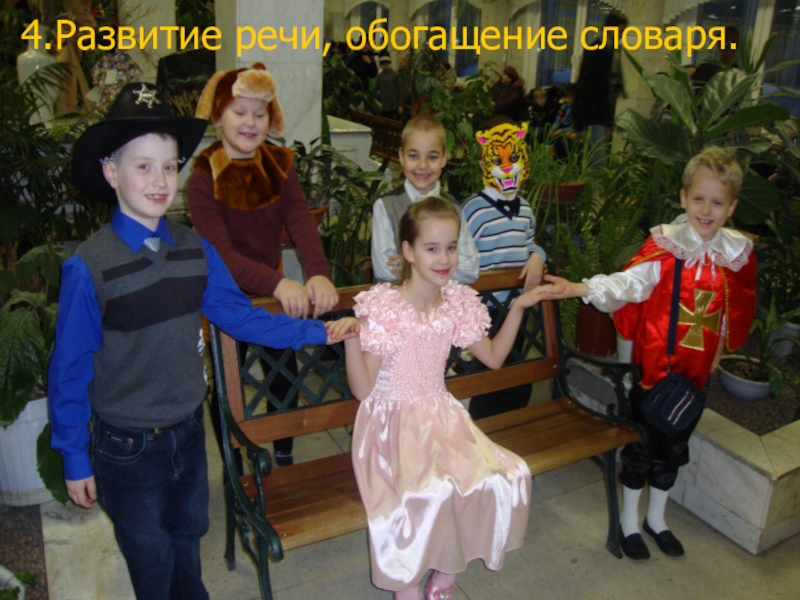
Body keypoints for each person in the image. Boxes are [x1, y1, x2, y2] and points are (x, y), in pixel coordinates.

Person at [48, 82, 346, 600]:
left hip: (188, 434)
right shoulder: (89, 266)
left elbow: (240, 318)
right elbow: (69, 369)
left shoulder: (194, 249)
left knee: (188, 539)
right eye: (143, 166)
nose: (160, 180)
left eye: (169, 166)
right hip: (127, 446)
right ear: (111, 172)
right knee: (150, 554)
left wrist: (319, 330)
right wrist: (74, 456)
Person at [328, 196, 548, 600]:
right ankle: (407, 585)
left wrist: (518, 306)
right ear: (409, 252)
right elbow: (363, 390)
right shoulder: (386, 307)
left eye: (450, 246)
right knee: (424, 495)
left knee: (500, 476)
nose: (444, 258)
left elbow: (494, 358)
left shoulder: (457, 303)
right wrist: (353, 338)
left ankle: (443, 578)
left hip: (441, 416)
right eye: (431, 248)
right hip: (390, 426)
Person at [543, 146, 757, 559]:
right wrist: (582, 288)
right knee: (642, 446)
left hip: (694, 378)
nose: (706, 210)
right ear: (683, 198)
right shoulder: (666, 249)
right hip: (654, 373)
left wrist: (718, 349)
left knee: (674, 448)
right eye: (698, 199)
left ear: (731, 207)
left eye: (717, 202)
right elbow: (629, 285)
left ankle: (657, 519)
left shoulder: (732, 257)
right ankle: (629, 521)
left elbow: (728, 310)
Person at [187, 63, 338, 469]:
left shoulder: (279, 163)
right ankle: (235, 469)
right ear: (218, 115)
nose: (250, 122)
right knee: (229, 386)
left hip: (272, 296)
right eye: (239, 112)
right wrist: (277, 283)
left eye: (260, 113)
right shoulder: (203, 176)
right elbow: (220, 254)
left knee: (283, 374)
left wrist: (318, 272)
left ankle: (284, 458)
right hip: (225, 300)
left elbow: (300, 219)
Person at [462, 118, 546, 420]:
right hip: (484, 309)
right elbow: (460, 253)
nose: (508, 168)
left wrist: (537, 256)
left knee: (514, 371)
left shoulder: (525, 208)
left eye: (514, 158)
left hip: (516, 307)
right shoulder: (472, 209)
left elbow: (531, 242)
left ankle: (510, 424)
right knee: (489, 376)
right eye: (498, 161)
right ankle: (484, 425)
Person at [370, 115, 479, 284]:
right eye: (414, 156)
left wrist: (408, 261)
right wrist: (443, 266)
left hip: (442, 299)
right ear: (401, 156)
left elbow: (471, 269)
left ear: (444, 158)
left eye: (432, 157)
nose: (422, 165)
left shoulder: (455, 209)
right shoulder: (385, 206)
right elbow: (384, 269)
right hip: (399, 299)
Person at [573, 11, 628, 165]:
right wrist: (579, 121)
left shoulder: (612, 51)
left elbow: (607, 89)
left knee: (593, 161)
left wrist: (609, 119)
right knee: (596, 163)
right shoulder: (598, 50)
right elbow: (587, 85)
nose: (621, 36)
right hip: (592, 115)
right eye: (621, 31)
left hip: (598, 116)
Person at [374, 54, 402, 120]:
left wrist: (400, 105)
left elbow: (399, 90)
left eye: (386, 64)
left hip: (394, 106)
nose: (384, 66)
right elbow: (375, 89)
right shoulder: (379, 77)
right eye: (382, 65)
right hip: (384, 107)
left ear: (389, 64)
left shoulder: (394, 75)